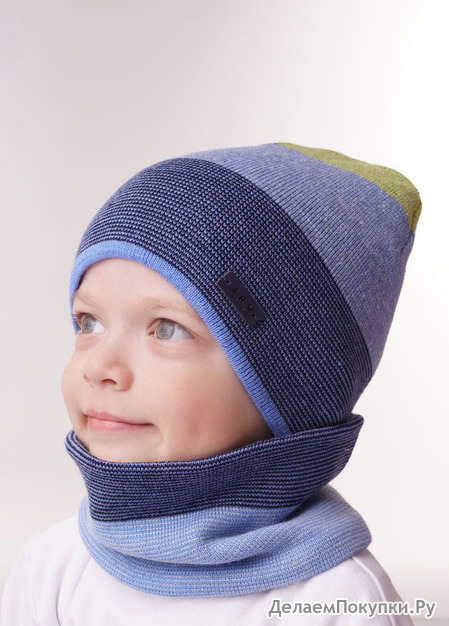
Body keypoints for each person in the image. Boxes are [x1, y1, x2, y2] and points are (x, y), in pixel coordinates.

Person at [0, 142, 422, 625]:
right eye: (88, 322)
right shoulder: (51, 572)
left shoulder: (337, 601)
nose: (99, 367)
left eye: (167, 329)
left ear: (286, 385)